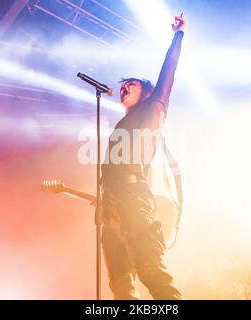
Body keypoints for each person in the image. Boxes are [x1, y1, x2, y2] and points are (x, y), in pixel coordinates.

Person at [100, 14, 187, 300]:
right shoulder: (121, 125)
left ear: (147, 92)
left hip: (134, 200)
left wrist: (178, 36)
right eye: (123, 86)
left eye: (132, 84)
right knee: (120, 285)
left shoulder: (153, 109)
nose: (124, 87)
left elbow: (167, 75)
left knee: (151, 272)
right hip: (111, 205)